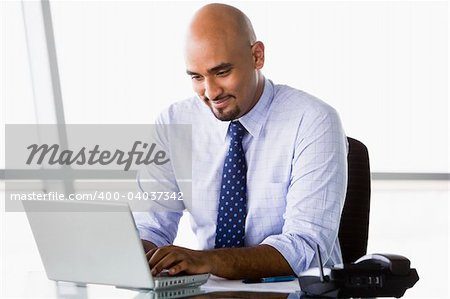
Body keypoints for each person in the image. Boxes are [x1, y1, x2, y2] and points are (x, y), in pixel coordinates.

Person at [133, 3, 348, 280]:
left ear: (257, 56)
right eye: (197, 77)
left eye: (222, 72)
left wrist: (204, 260)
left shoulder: (313, 120)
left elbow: (305, 245)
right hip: (210, 292)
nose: (210, 92)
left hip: (296, 291)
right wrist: (135, 253)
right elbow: (150, 228)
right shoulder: (173, 123)